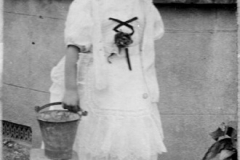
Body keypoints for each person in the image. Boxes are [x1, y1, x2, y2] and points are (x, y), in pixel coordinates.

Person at [49, 0, 167, 159]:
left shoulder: (142, 3)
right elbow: (73, 47)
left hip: (133, 81)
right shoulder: (87, 3)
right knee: (99, 138)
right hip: (99, 78)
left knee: (132, 134)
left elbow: (149, 39)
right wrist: (70, 90)